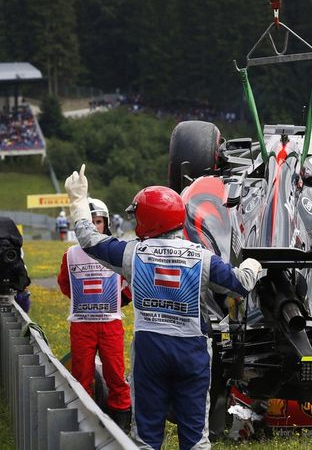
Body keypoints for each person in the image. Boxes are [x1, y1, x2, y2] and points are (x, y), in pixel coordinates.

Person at [64, 164, 263, 450]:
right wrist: (252, 264)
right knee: (195, 435)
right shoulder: (201, 256)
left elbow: (89, 240)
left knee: (146, 434)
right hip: (192, 350)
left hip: (150, 348)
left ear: (148, 219)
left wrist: (79, 201)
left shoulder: (132, 253)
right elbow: (240, 283)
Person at [57, 197, 133, 431]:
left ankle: (121, 422)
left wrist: (118, 301)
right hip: (82, 325)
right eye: (89, 222)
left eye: (98, 222)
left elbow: (131, 281)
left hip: (110, 324)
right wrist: (85, 301)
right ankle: (86, 423)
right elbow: (64, 284)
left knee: (115, 375)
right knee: (82, 375)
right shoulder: (70, 254)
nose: (94, 227)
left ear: (106, 223)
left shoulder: (115, 249)